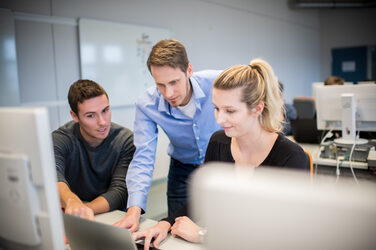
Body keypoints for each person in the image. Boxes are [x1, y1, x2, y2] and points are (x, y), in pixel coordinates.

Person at [132, 58, 308, 249]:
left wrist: (203, 235)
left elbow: (282, 234)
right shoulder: (218, 142)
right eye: (216, 108)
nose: (220, 119)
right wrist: (164, 223)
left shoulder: (291, 157)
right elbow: (203, 201)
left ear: (258, 108)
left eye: (230, 111)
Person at [114, 39, 222, 232]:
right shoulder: (147, 104)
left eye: (174, 82)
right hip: (182, 169)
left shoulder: (218, 82)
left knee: (222, 225)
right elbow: (143, 157)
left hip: (222, 166)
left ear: (189, 70)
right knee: (176, 231)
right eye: (160, 85)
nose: (169, 93)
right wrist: (133, 210)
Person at [53, 79, 135, 220]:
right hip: (73, 214)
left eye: (105, 110)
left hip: (110, 215)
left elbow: (120, 192)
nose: (102, 122)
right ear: (74, 116)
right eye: (90, 115)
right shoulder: (61, 139)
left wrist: (84, 210)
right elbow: (54, 174)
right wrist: (71, 201)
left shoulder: (125, 140)